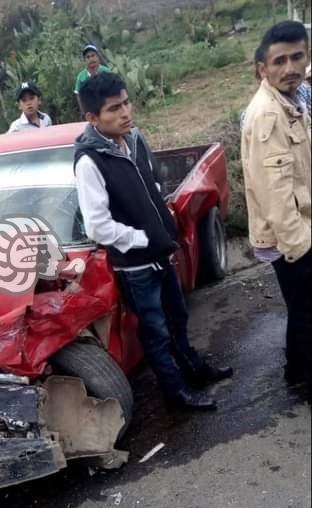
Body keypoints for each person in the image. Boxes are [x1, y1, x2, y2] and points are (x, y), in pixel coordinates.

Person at [74, 72, 232, 411]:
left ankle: (195, 370)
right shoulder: (90, 161)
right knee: (156, 332)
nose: (125, 112)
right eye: (114, 108)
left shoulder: (132, 140)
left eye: (127, 102)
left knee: (178, 317)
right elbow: (98, 227)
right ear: (92, 118)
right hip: (136, 267)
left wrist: (163, 225)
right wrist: (143, 238)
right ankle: (175, 393)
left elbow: (153, 186)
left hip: (161, 254)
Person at [241, 21, 311, 398]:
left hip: (296, 228)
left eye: (297, 56)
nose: (290, 68)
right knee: (307, 313)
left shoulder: (290, 101)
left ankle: (297, 375)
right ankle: (304, 380)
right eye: (279, 60)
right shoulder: (268, 114)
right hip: (292, 236)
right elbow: (276, 192)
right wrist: (301, 246)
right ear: (262, 69)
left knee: (302, 312)